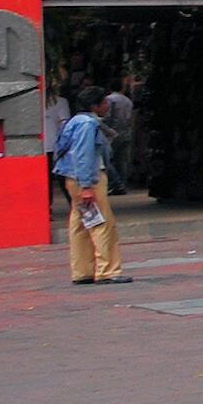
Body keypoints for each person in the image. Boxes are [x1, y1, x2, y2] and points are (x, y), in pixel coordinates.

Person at [51, 81, 123, 285]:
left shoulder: (73, 122)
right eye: (104, 103)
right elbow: (83, 155)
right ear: (95, 105)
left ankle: (82, 270)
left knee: (80, 223)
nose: (107, 106)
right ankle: (107, 270)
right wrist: (87, 185)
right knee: (101, 223)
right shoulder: (87, 124)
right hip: (89, 177)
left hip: (72, 177)